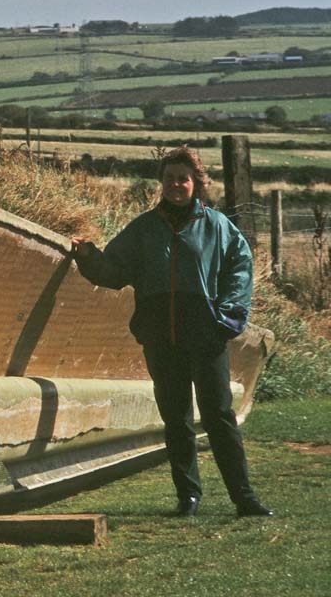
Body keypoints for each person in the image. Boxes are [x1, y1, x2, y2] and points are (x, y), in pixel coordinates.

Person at [71, 147, 272, 518]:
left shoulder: (217, 226)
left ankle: (244, 498)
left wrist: (227, 316)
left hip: (207, 333)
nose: (176, 185)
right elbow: (114, 271)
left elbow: (240, 269)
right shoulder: (143, 229)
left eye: (183, 178)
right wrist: (87, 255)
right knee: (176, 419)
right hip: (161, 334)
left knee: (219, 416)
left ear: (197, 182)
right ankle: (188, 498)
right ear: (160, 183)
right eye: (169, 179)